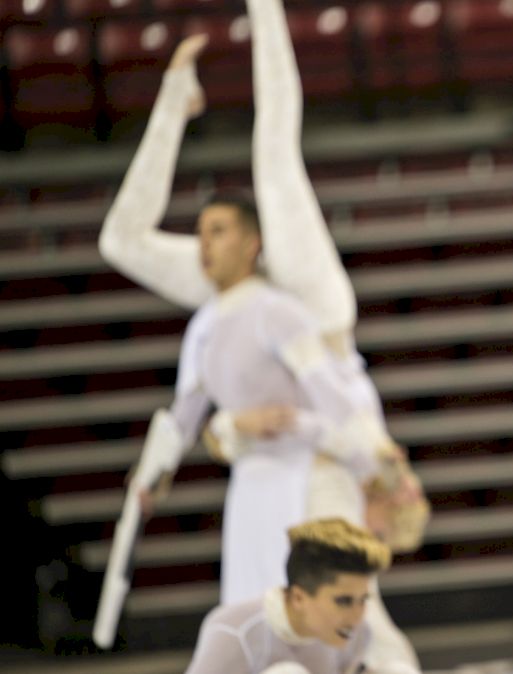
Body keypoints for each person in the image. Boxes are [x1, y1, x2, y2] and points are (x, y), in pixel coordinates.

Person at [99, 1, 425, 669]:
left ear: (250, 245)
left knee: (274, 158)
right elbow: (192, 412)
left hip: (323, 427)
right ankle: (178, 100)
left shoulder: (288, 303)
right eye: (205, 234)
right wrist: (155, 474)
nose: (203, 243)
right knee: (120, 240)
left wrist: (379, 463)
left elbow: (332, 391)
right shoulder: (213, 318)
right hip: (267, 462)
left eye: (219, 233)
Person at [184, 518, 396, 674]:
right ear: (298, 598)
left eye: (364, 599)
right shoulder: (234, 630)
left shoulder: (355, 633)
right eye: (344, 601)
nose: (357, 617)